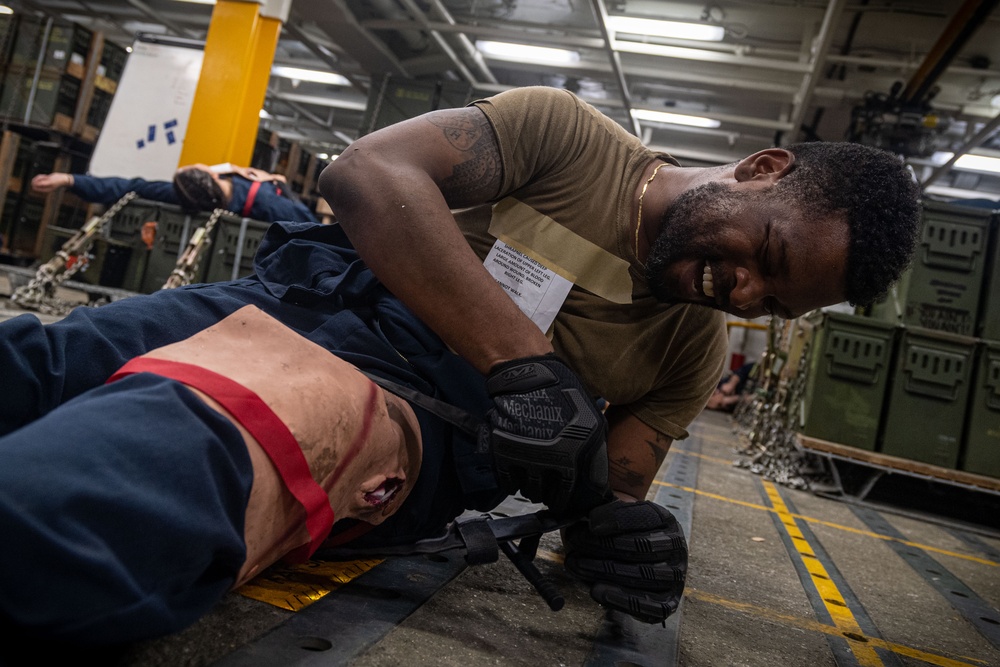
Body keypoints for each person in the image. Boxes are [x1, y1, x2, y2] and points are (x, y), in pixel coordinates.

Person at [0, 86, 921, 647]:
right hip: (307, 297)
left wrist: (622, 539)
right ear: (761, 168)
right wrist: (525, 360)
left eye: (773, 301)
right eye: (764, 252)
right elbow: (370, 174)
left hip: (402, 411)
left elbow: (611, 487)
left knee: (151, 465)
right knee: (39, 362)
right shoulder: (567, 138)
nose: (745, 290)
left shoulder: (686, 350)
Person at [30, 162, 318, 223]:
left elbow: (129, 187)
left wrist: (69, 178)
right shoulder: (278, 203)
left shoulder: (185, 196)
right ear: (213, 174)